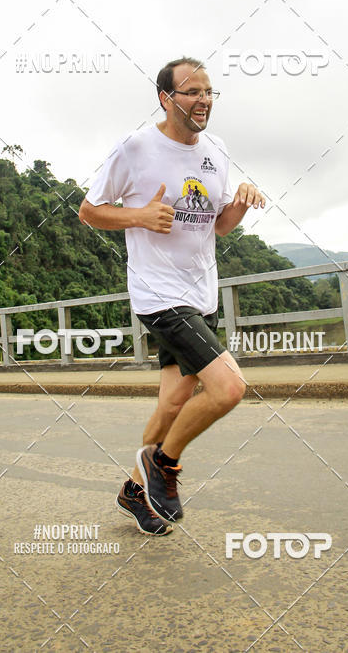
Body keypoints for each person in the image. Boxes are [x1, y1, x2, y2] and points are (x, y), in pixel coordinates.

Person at [78, 57, 265, 535]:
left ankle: (135, 490)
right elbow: (89, 210)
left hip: (200, 293)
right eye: (192, 92)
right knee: (229, 388)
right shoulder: (137, 147)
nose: (203, 100)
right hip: (159, 295)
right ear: (166, 98)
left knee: (175, 401)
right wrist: (139, 217)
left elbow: (219, 225)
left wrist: (240, 203)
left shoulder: (217, 150)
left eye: (209, 92)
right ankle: (165, 466)